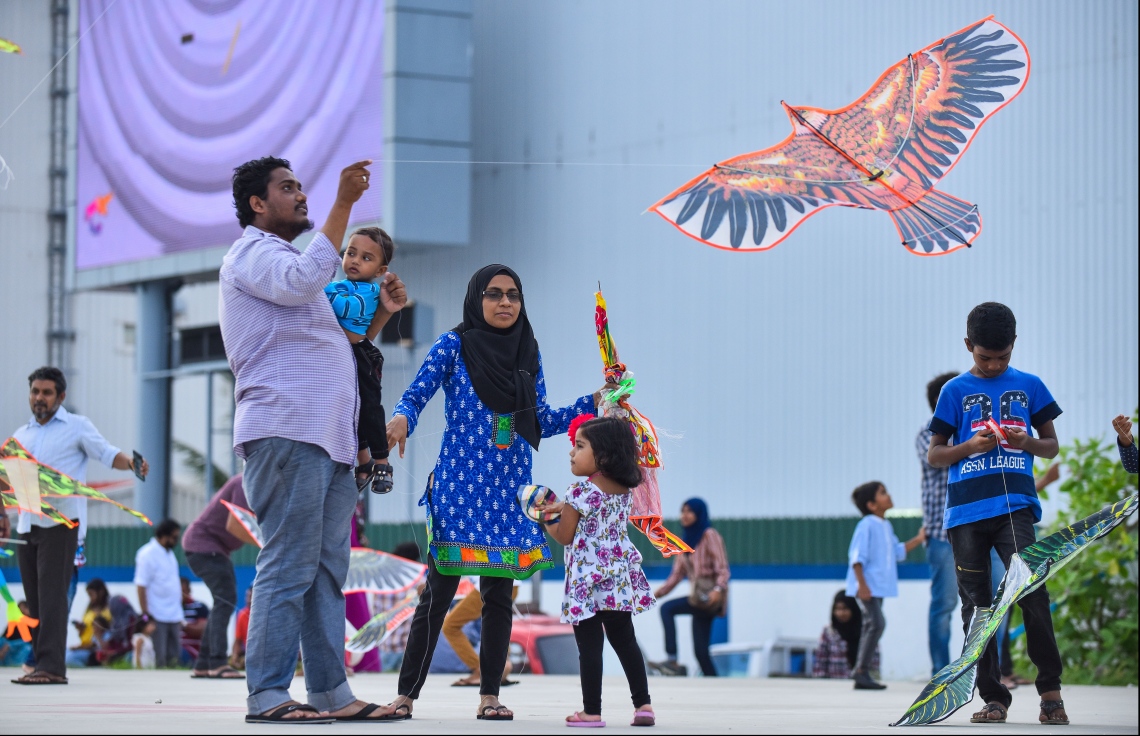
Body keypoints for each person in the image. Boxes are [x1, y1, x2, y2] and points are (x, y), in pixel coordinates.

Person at [220, 156, 406, 723]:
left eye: (302, 186)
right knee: (289, 564)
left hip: (329, 440)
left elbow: (345, 345)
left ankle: (330, 694)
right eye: (288, 188)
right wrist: (344, 201)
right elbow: (304, 280)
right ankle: (268, 695)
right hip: (287, 431)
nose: (302, 194)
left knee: (326, 572)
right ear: (258, 204)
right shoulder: (254, 255)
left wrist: (381, 317)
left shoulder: (288, 264)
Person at [380, 264, 605, 722]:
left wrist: (594, 402)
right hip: (458, 490)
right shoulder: (454, 344)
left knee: (499, 599)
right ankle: (405, 695)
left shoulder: (528, 351)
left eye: (513, 295)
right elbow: (418, 392)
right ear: (476, 299)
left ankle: (489, 696)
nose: (505, 302)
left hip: (509, 493)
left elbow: (540, 419)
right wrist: (403, 417)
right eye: (494, 293)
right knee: (437, 596)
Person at [927, 302, 1067, 725]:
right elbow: (935, 454)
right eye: (985, 357)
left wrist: (1026, 443)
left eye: (1002, 357)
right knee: (977, 607)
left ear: (1014, 345)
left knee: (1032, 590)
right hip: (965, 513)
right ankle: (993, 698)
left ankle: (1051, 693)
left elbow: (1051, 446)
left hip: (1015, 508)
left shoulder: (1030, 386)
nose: (993, 365)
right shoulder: (954, 391)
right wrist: (969, 447)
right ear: (968, 345)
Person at [10, 366, 148, 685]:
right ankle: (39, 663)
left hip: (61, 525)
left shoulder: (76, 427)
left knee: (53, 598)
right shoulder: (21, 436)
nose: (39, 398)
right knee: (35, 602)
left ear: (61, 396)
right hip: (27, 525)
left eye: (46, 392)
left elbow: (107, 453)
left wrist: (131, 463)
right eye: (35, 391)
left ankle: (52, 668)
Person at [540, 415, 656, 727]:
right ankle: (643, 706)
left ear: (603, 455)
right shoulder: (624, 489)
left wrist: (545, 519)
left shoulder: (579, 491)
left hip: (587, 583)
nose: (571, 452)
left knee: (590, 648)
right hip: (617, 578)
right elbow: (596, 514)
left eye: (579, 446)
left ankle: (591, 712)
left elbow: (565, 535)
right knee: (626, 643)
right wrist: (563, 508)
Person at [325, 226, 399, 495]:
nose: (355, 260)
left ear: (381, 270)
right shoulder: (336, 286)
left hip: (361, 354)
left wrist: (323, 293)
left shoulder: (370, 292)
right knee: (350, 411)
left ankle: (382, 462)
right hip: (340, 356)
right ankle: (363, 460)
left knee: (369, 408)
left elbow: (345, 307)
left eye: (366, 258)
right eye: (351, 253)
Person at [846, 481, 925, 690]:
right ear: (872, 505)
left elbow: (897, 551)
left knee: (871, 625)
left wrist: (919, 539)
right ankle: (860, 671)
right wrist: (862, 585)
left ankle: (862, 672)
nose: (888, 495)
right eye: (882, 493)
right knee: (876, 623)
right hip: (868, 586)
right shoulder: (866, 525)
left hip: (877, 587)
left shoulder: (886, 525)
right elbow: (856, 557)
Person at [651, 497, 730, 678]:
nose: (684, 515)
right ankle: (712, 682)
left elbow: (723, 569)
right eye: (683, 511)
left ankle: (672, 660)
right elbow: (677, 575)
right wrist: (657, 594)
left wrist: (718, 590)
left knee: (668, 610)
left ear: (699, 514)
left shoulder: (709, 535)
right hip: (697, 598)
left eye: (689, 511)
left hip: (710, 598)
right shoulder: (684, 541)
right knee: (700, 653)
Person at [182, 473, 250, 679]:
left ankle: (204, 664)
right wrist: (266, 544)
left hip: (210, 549)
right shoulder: (244, 483)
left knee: (223, 601)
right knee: (225, 600)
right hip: (204, 546)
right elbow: (234, 525)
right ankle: (218, 662)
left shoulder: (256, 487)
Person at [917, 372, 961, 676]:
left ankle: (990, 671)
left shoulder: (977, 431)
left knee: (994, 604)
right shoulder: (926, 433)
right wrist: (977, 444)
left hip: (982, 528)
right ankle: (941, 672)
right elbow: (940, 458)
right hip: (941, 532)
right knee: (944, 605)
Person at [444, 582, 519, 688]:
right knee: (496, 623)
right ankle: (502, 665)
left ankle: (479, 670)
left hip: (488, 582)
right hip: (512, 583)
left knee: (450, 626)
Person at [134, 519, 184, 668]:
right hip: (157, 614)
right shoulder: (147, 554)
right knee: (159, 658)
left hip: (174, 614)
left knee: (174, 658)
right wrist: (146, 615)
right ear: (163, 535)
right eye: (174, 537)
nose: (176, 541)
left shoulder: (169, 554)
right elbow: (141, 585)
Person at [374, 541, 421, 673]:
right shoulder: (418, 580)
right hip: (407, 643)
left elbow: (375, 609)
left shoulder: (382, 579)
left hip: (383, 643)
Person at [812, 591, 879, 679]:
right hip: (835, 684)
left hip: (861, 683)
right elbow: (820, 663)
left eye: (845, 608)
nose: (841, 613)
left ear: (853, 608)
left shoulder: (866, 632)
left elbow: (874, 664)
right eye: (837, 609)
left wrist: (871, 680)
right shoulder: (829, 632)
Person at [65, 578, 110, 668]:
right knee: (63, 653)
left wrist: (79, 647)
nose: (90, 598)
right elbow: (85, 632)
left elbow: (100, 638)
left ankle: (90, 666)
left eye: (91, 595)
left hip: (92, 648)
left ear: (100, 592)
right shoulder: (89, 609)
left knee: (69, 658)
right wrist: (81, 629)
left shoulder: (107, 612)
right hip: (84, 645)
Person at [180, 577, 209, 665]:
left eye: (182, 591)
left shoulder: (199, 607)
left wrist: (183, 625)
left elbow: (202, 630)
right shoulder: (168, 609)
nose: (179, 595)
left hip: (192, 652)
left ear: (189, 591)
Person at [1, 601, 34, 667]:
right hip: (10, 644)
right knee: (2, 641)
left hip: (22, 645)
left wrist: (10, 645)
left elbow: (30, 641)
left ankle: (16, 663)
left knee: (27, 648)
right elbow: (5, 636)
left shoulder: (31, 623)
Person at [230, 587, 253, 671]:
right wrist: (235, 655)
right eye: (247, 596)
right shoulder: (242, 614)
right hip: (247, 652)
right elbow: (238, 640)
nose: (249, 600)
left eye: (251, 597)